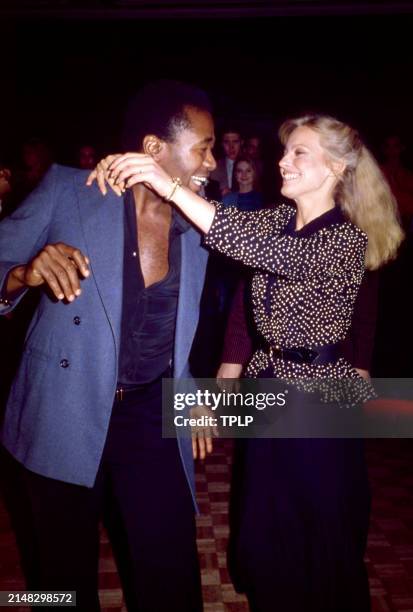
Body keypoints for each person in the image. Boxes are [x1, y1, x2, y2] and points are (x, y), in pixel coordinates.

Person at [93, 113, 403, 611]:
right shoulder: (278, 217)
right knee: (264, 521)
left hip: (323, 393)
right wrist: (128, 179)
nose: (282, 161)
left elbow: (250, 244)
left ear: (338, 167)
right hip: (268, 385)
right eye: (286, 151)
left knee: (322, 527)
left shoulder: (347, 237)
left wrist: (168, 186)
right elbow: (220, 224)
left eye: (299, 152)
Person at [0, 80, 217, 612]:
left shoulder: (202, 221)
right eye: (204, 147)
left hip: (151, 414)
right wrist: (25, 273)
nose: (212, 162)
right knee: (61, 580)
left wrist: (194, 397)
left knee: (171, 573)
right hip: (64, 410)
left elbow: (183, 333)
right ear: (153, 149)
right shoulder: (69, 190)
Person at [210, 127, 243, 195]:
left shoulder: (253, 166)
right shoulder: (214, 167)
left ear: (241, 143)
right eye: (226, 142)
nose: (231, 147)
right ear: (222, 144)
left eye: (235, 141)